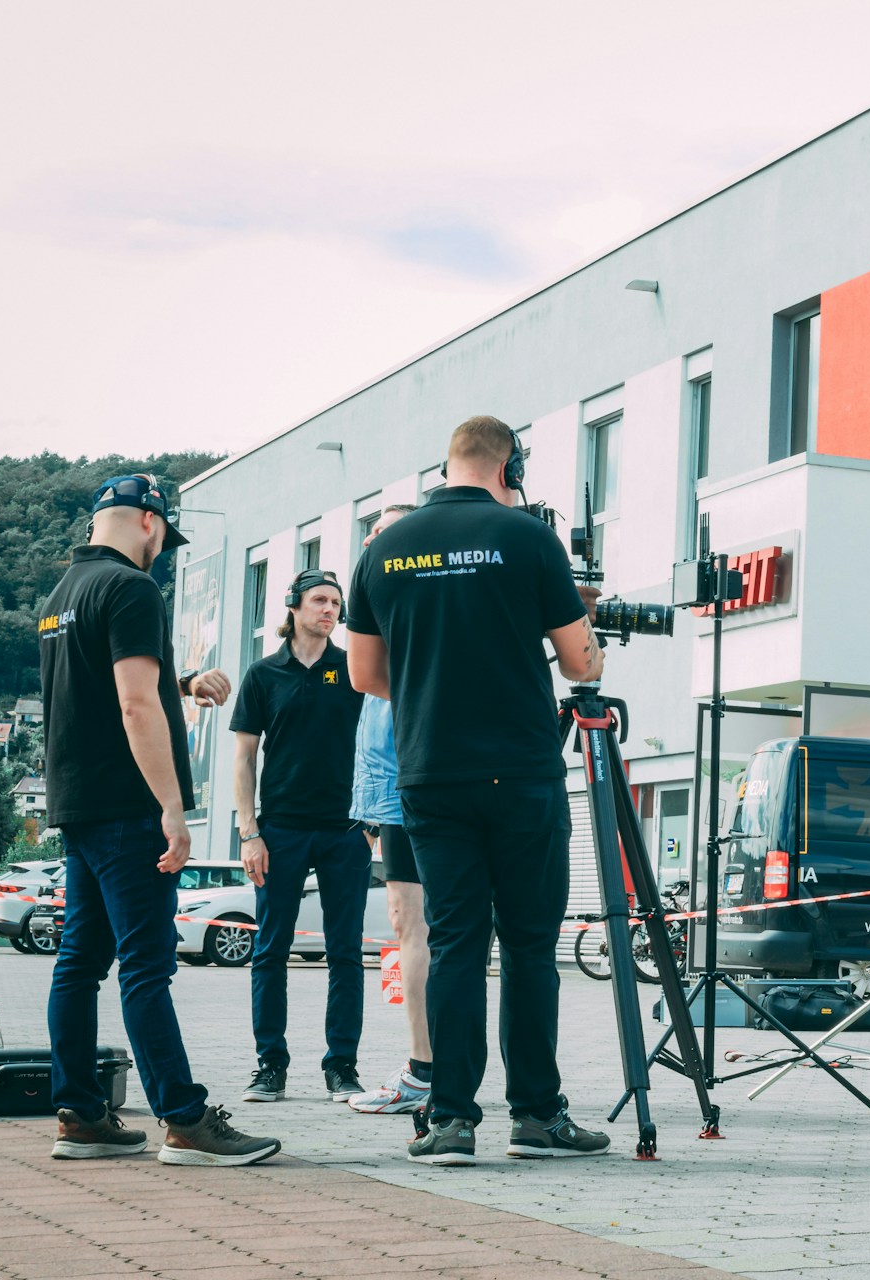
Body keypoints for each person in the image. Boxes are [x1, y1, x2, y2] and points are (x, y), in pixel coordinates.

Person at [348, 415, 609, 1165]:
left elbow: (365, 675)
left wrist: (437, 688)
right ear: (509, 468)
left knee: (457, 942)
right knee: (529, 944)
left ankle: (452, 1120)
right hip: (522, 769)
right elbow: (581, 664)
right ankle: (537, 1116)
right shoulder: (529, 537)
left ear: (447, 466)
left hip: (432, 770)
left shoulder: (383, 548)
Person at [40, 473, 280, 1166]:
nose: (162, 554)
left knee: (79, 963)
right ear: (150, 522)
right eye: (165, 539)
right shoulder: (133, 588)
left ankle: (80, 1115)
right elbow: (132, 703)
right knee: (146, 965)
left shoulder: (61, 597)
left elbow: (102, 686)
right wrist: (172, 808)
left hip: (77, 802)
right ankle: (184, 1119)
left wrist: (182, 682)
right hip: (129, 805)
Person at [230, 566, 368, 1105]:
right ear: (293, 606)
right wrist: (249, 832)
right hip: (280, 830)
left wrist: (372, 823)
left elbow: (378, 743)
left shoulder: (354, 669)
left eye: (335, 602)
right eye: (319, 600)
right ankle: (270, 1065)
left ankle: (342, 1067)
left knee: (345, 953)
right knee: (270, 950)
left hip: (346, 829)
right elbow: (244, 758)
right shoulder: (263, 674)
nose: (330, 609)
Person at [342, 503, 434, 1116]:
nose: (373, 543)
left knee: (424, 926)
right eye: (370, 534)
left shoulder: (418, 598)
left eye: (386, 533)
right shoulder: (378, 598)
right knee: (408, 923)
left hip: (421, 776)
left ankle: (428, 1071)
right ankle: (427, 1067)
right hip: (389, 787)